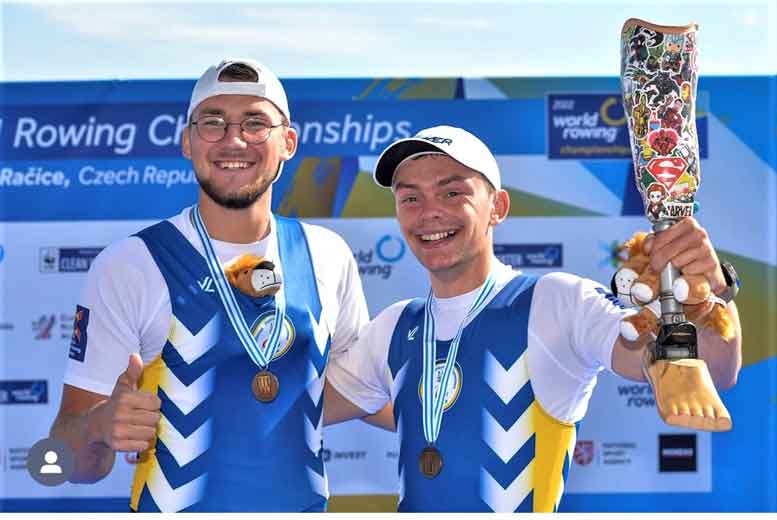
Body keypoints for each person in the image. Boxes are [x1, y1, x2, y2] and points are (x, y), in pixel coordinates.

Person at [324, 125, 742, 512]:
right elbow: (302, 404)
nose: (429, 212)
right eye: (410, 198)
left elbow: (712, 368)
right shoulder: (395, 325)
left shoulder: (555, 302)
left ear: (497, 207)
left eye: (452, 193)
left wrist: (711, 294)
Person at [50, 58, 369, 512]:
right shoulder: (130, 264)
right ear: (187, 141)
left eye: (255, 123)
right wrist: (97, 428)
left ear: (288, 143)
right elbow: (54, 463)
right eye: (213, 123)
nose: (233, 140)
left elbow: (370, 393)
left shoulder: (328, 254)